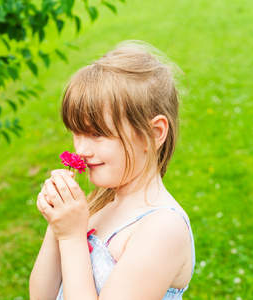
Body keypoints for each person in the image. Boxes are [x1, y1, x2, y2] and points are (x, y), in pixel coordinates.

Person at [29, 40, 195, 299]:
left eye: (97, 134)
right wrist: (58, 225)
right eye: (76, 132)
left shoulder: (163, 228)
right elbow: (42, 296)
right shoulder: (98, 204)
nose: (81, 149)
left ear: (153, 134)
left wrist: (73, 238)